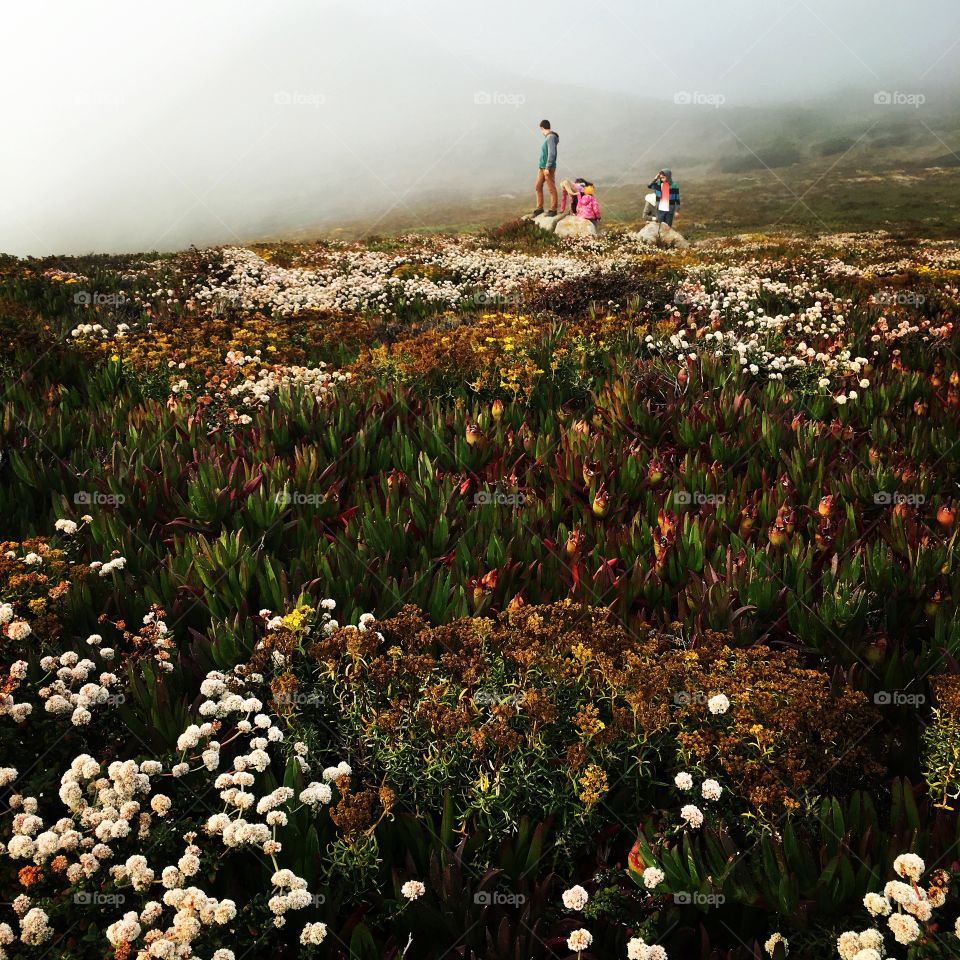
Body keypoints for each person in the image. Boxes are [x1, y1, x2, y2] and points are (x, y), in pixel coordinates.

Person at [533, 120, 559, 217]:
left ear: (542, 128)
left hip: (548, 168)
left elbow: (551, 153)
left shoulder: (550, 137)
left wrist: (548, 167)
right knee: (538, 186)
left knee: (551, 188)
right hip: (542, 167)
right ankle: (539, 208)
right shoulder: (548, 137)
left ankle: (553, 210)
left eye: (540, 129)